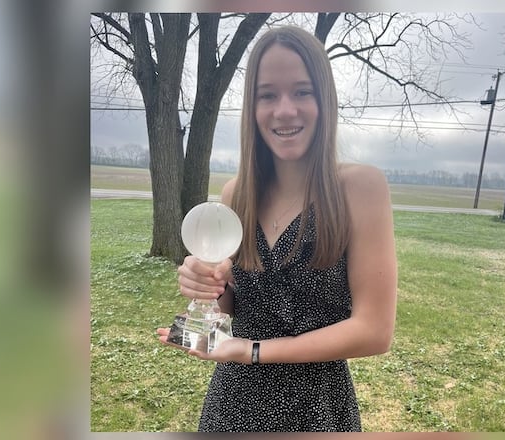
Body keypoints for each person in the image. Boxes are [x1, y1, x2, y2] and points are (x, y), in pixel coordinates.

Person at [156, 25, 398, 432]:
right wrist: (210, 286)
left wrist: (251, 351)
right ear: (253, 107)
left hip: (317, 409)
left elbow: (374, 331)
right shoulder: (236, 194)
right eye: (268, 94)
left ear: (324, 100)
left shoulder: (360, 187)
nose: (285, 110)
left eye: (302, 91)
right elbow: (233, 305)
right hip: (232, 406)